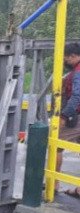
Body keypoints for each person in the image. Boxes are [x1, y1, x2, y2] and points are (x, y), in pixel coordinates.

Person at [57, 42, 80, 196]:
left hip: (76, 118)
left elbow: (77, 96)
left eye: (66, 59)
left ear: (73, 56)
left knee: (55, 144)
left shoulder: (77, 73)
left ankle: (53, 183)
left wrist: (64, 115)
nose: (65, 62)